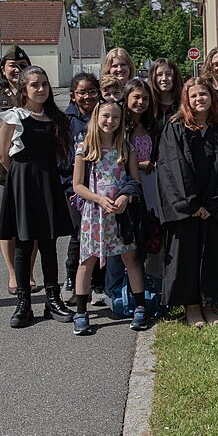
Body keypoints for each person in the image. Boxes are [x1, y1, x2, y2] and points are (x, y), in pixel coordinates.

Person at [0, 66, 74, 327]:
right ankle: (24, 303)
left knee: (49, 243)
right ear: (24, 89)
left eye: (44, 84)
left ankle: (53, 300)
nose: (41, 89)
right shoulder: (13, 117)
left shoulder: (56, 119)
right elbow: (3, 156)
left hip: (48, 182)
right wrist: (22, 178)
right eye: (34, 85)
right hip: (23, 184)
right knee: (23, 244)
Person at [157, 78, 218, 327]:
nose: (199, 99)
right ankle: (191, 305)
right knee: (186, 254)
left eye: (204, 94)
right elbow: (172, 167)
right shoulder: (175, 127)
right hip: (186, 208)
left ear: (212, 98)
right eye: (194, 96)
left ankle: (209, 303)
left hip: (212, 208)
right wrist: (192, 205)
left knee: (211, 255)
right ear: (186, 100)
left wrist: (211, 206)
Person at [71, 99, 149, 334]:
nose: (110, 121)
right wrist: (98, 199)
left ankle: (140, 307)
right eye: (105, 116)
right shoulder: (85, 147)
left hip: (120, 215)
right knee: (87, 261)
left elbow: (135, 181)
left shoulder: (126, 148)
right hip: (94, 215)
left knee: (130, 259)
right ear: (97, 117)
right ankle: (81, 312)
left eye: (115, 117)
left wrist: (125, 198)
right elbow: (77, 185)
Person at [0, 44, 38, 295]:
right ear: (3, 70)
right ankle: (14, 274)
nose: (17, 70)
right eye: (12, 66)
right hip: (1, 171)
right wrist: (0, 153)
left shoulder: (36, 95)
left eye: (23, 66)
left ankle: (30, 272)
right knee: (7, 225)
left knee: (33, 224)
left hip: (32, 170)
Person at [62, 73, 100, 301]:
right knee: (79, 234)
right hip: (74, 187)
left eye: (92, 91)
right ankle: (71, 276)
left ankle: (96, 281)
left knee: (99, 234)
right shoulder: (66, 120)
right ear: (73, 96)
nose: (87, 96)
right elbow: (62, 156)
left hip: (101, 186)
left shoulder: (104, 115)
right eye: (82, 92)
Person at [124, 79, 158, 216]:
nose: (141, 102)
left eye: (145, 98)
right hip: (128, 181)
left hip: (150, 180)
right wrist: (137, 165)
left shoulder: (151, 125)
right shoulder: (120, 125)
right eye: (136, 97)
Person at [148, 57, 182, 133]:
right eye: (159, 74)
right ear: (153, 77)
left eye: (168, 74)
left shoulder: (183, 105)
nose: (164, 78)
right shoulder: (148, 105)